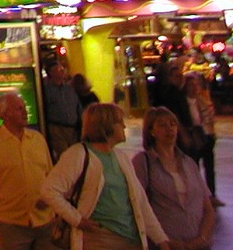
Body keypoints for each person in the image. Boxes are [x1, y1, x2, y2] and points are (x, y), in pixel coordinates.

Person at [42, 102, 169, 250]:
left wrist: (161, 239)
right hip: (100, 238)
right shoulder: (78, 155)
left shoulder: (120, 157)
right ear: (107, 125)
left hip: (131, 237)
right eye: (119, 122)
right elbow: (49, 190)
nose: (124, 126)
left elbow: (140, 201)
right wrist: (77, 220)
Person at [0, 90, 54, 250]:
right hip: (11, 224)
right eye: (19, 108)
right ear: (4, 114)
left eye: (24, 107)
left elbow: (52, 177)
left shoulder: (37, 139)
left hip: (44, 221)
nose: (25, 112)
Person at [133, 106, 214, 250]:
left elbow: (207, 207)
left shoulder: (188, 162)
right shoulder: (143, 162)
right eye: (162, 125)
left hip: (198, 244)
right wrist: (162, 241)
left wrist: (202, 238)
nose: (169, 129)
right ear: (151, 131)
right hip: (165, 244)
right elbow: (139, 207)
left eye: (172, 124)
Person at [182, 73, 221, 206]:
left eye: (196, 85)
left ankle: (211, 195)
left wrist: (211, 133)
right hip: (194, 136)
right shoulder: (183, 103)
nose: (194, 88)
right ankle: (198, 195)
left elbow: (209, 118)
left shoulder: (202, 100)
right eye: (191, 85)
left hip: (206, 135)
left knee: (209, 166)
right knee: (194, 166)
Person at [43, 64, 82, 162]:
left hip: (72, 128)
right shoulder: (46, 90)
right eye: (58, 70)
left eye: (62, 69)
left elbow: (76, 104)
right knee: (64, 154)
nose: (62, 71)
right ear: (51, 73)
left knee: (75, 153)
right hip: (57, 127)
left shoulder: (69, 89)